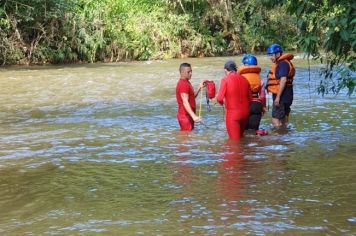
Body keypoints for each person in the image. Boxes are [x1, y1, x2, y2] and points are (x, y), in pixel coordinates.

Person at [215, 60, 252, 140]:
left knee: (234, 143)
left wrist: (222, 103)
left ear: (226, 70)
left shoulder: (225, 80)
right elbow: (250, 99)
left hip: (233, 114)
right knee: (241, 139)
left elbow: (219, 98)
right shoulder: (245, 79)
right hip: (245, 114)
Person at [266, 43, 295, 128]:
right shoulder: (285, 62)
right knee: (284, 120)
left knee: (275, 120)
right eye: (269, 55)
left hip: (282, 96)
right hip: (288, 95)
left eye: (272, 55)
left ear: (278, 54)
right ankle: (284, 138)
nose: (270, 57)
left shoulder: (282, 64)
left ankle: (278, 139)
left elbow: (283, 80)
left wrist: (278, 97)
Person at [238, 54, 266, 132]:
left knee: (243, 132)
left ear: (245, 65)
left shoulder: (240, 78)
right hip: (257, 105)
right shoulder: (260, 78)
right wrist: (263, 107)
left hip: (244, 105)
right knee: (253, 131)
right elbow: (262, 96)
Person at [176, 63, 204, 131]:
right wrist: (194, 116)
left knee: (189, 137)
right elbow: (185, 102)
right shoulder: (183, 84)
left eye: (191, 71)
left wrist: (199, 88)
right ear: (182, 72)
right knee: (186, 138)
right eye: (188, 72)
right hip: (185, 117)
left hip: (188, 116)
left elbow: (191, 98)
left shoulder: (186, 82)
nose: (191, 73)